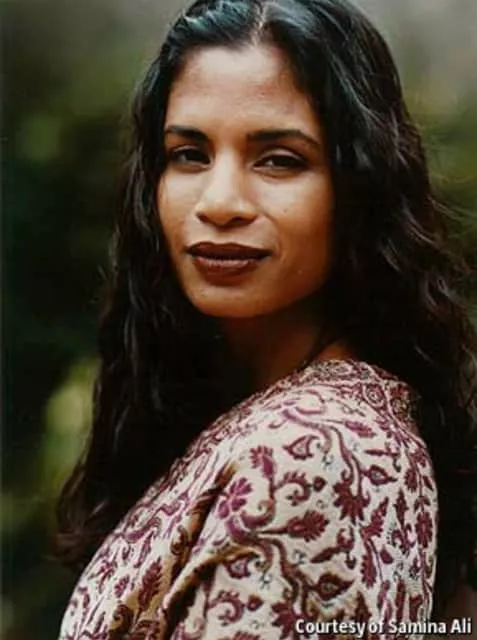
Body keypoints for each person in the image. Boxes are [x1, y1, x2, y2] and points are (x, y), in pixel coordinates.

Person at [56, 0, 477, 637]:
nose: (220, 202)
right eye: (189, 154)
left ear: (359, 187)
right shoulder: (268, 417)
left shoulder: (313, 453)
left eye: (279, 159)